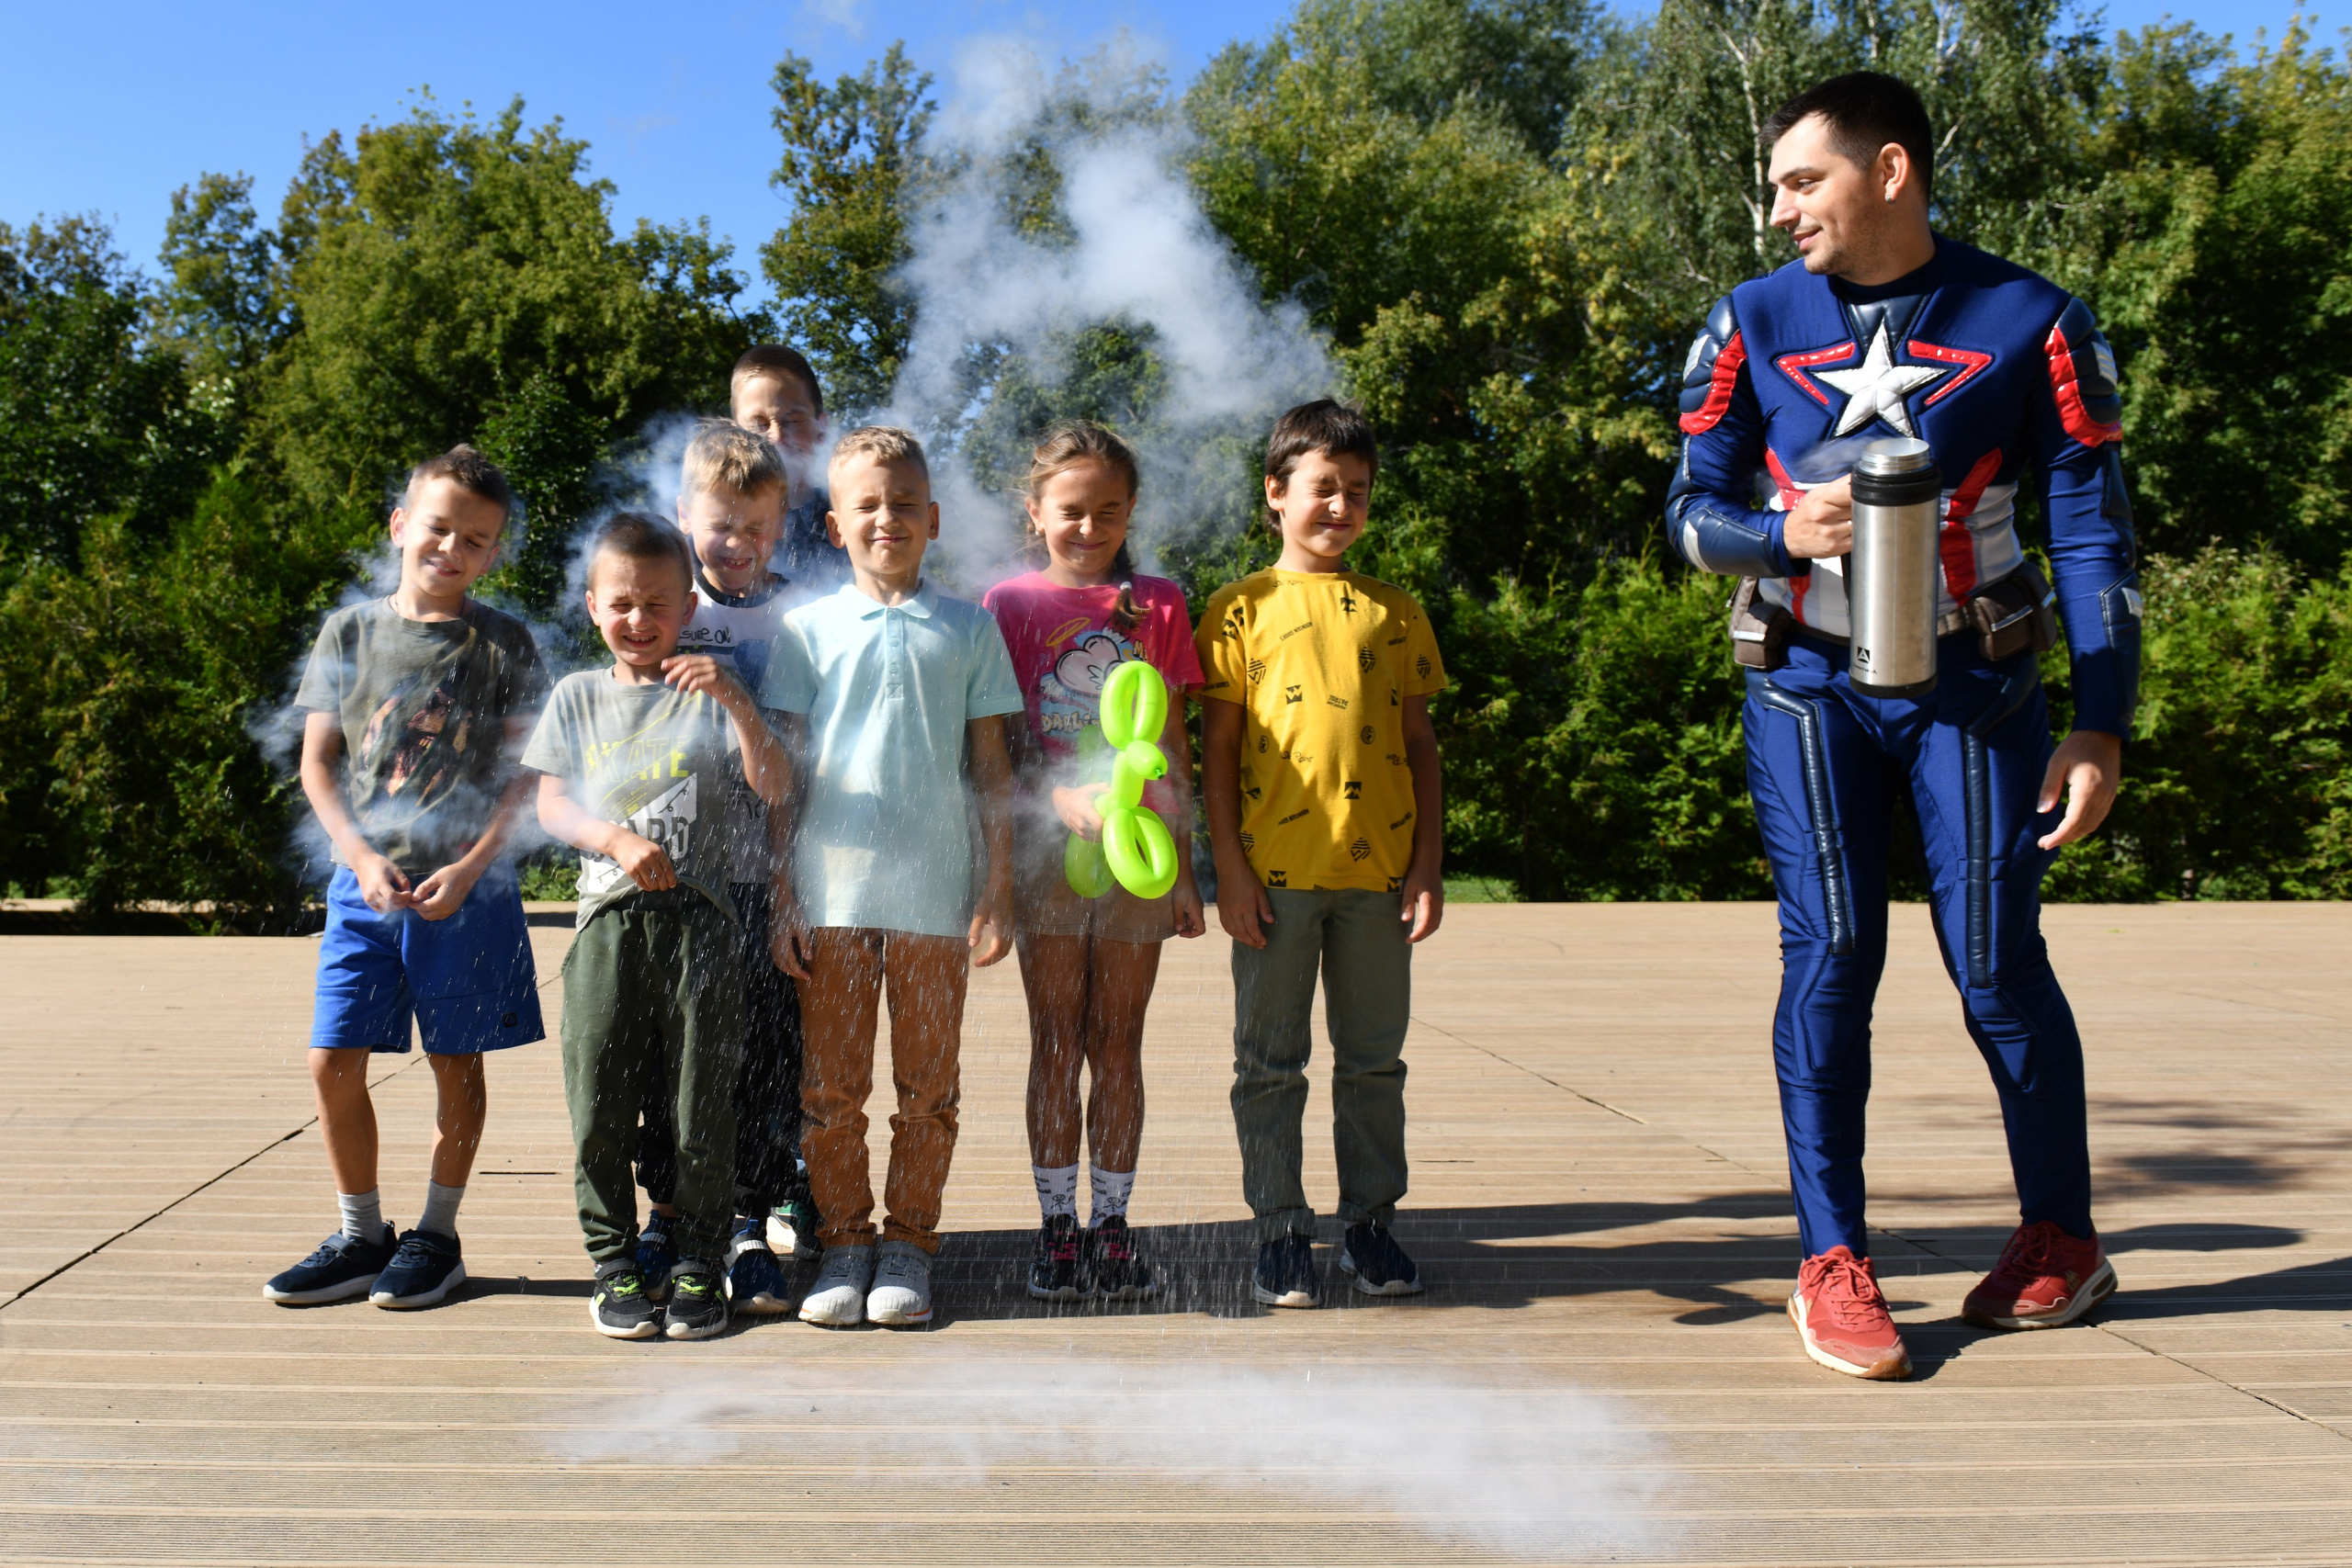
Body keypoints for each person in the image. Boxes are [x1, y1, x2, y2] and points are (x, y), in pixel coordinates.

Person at [1666, 72, 2140, 1381]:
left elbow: (2093, 534)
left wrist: (2102, 721)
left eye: (1800, 182)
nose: (1778, 213)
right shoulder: (1749, 321)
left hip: (1978, 686)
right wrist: (1779, 532)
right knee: (1831, 953)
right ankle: (1832, 1254)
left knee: (1996, 957)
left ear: (1889, 170)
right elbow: (1686, 513)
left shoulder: (2033, 318)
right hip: (1803, 683)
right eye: (1775, 188)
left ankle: (2060, 1237)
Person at [265, 446, 548, 1312]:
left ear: (493, 552)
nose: (451, 548)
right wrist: (355, 854)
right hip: (365, 890)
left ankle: (437, 1235)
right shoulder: (349, 633)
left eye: (475, 538)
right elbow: (318, 763)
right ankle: (360, 1235)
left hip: (469, 890)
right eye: (437, 528)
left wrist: (469, 866)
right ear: (400, 525)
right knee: (330, 1060)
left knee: (455, 1063)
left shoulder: (504, 641)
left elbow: (528, 776)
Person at [760, 425, 1024, 1330]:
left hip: (934, 900)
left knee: (928, 1090)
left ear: (934, 518)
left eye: (904, 504)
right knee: (830, 1093)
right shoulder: (805, 630)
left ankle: (909, 1241)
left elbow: (993, 770)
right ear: (834, 525)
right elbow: (782, 773)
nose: (887, 519)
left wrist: (998, 887)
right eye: (866, 505)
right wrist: (780, 891)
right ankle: (842, 1242)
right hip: (828, 897)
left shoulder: (968, 627)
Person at [1195, 400, 1448, 1311]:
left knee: (1373, 1061)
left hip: (1378, 878)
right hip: (1273, 881)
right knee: (1268, 1062)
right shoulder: (1235, 612)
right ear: (1275, 494)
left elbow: (1420, 746)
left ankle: (1371, 1226)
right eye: (1321, 488)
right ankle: (1277, 1231)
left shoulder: (1394, 614)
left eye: (1358, 492)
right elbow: (1216, 750)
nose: (1339, 506)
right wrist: (1224, 863)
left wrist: (1427, 865)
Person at [524, 513, 792, 1341]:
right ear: (593, 606)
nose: (640, 619)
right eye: (623, 603)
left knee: (697, 1101)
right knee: (600, 1095)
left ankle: (697, 1262)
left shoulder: (711, 689)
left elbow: (777, 786)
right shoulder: (577, 695)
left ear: (685, 608)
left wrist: (740, 704)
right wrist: (614, 839)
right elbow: (552, 803)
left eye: (658, 603)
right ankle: (612, 1263)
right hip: (608, 925)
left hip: (704, 926)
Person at [982, 421, 1208, 1303]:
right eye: (1071, 510)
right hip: (1046, 856)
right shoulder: (1009, 606)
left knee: (1118, 1044)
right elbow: (995, 745)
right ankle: (1055, 1225)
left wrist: (1185, 869)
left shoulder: (1157, 603)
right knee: (1056, 1041)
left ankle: (1113, 1222)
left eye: (1108, 511)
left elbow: (1173, 741)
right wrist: (1051, 800)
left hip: (1138, 856)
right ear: (1036, 511)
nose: (1089, 527)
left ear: (1131, 510)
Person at [628, 423, 820, 1318]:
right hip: (667, 879)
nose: (736, 546)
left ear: (781, 530)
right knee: (664, 1058)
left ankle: (746, 1222)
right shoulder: (656, 604)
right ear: (680, 517)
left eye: (756, 529)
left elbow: (798, 767)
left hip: (757, 879)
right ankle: (665, 1215)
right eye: (718, 526)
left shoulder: (794, 622)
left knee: (757, 1061)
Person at [730, 344, 845, 594]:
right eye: (759, 425)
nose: (778, 437)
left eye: (793, 421)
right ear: (735, 433)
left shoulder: (849, 518)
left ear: (821, 426)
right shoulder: (716, 528)